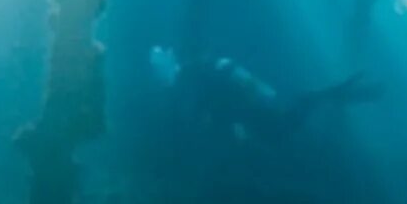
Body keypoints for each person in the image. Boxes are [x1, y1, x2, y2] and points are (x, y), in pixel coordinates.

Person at [151, 46, 382, 142]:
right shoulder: (199, 74)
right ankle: (338, 93)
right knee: (287, 123)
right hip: (254, 109)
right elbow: (217, 100)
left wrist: (233, 122)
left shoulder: (197, 77)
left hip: (254, 110)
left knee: (285, 125)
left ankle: (332, 94)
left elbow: (218, 100)